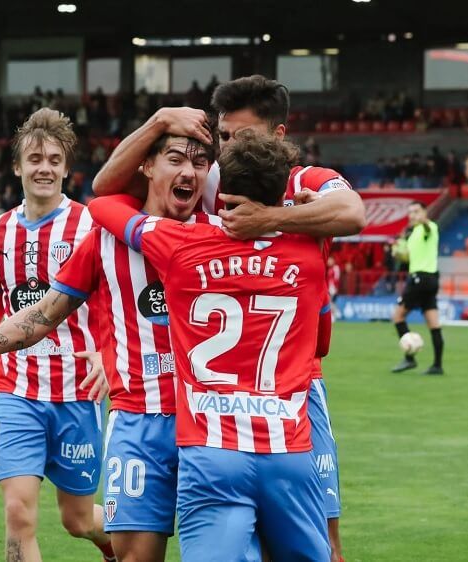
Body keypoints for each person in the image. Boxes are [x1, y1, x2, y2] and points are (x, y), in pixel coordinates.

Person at [92, 75, 361, 561]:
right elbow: (111, 181)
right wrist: (159, 123)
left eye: (240, 138)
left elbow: (353, 212)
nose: (224, 150)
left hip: (283, 397)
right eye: (222, 136)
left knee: (325, 540)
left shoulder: (304, 181)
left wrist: (268, 219)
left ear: (278, 137)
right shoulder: (216, 175)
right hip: (260, 411)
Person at [0, 130, 217, 562]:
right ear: (147, 167)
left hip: (194, 417)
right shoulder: (98, 234)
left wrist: (101, 349)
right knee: (24, 515)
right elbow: (39, 308)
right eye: (174, 160)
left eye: (200, 163)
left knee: (81, 520)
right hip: (109, 412)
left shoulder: (220, 233)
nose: (188, 172)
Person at [0, 108, 115, 562]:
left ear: (67, 168)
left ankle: (123, 546)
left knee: (76, 519)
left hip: (78, 391)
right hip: (17, 391)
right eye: (35, 159)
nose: (45, 168)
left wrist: (108, 355)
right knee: (18, 514)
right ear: (17, 166)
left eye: (55, 159)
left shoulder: (91, 225)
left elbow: (118, 299)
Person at [390, 201, 444, 375]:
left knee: (398, 316)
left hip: (419, 279)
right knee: (433, 324)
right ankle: (437, 365)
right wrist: (398, 253)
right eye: (410, 212)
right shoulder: (413, 235)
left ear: (424, 213)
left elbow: (428, 228)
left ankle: (410, 358)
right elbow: (410, 258)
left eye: (416, 211)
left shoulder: (430, 227)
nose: (412, 215)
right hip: (430, 280)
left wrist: (424, 220)